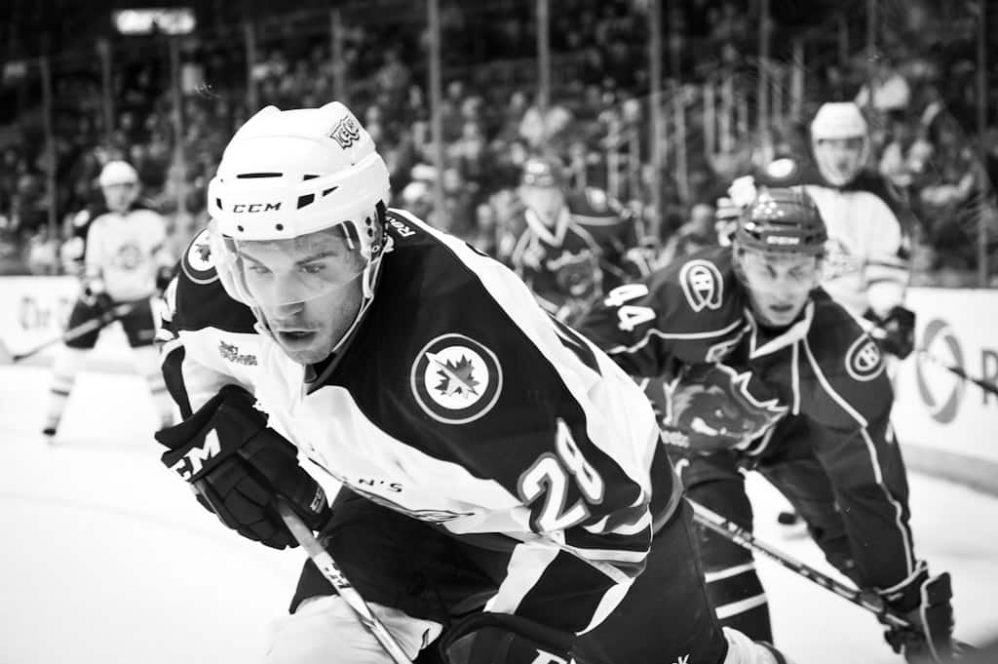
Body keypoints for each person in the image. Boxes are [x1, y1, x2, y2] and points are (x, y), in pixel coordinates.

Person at [154, 102, 790, 664]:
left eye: (315, 265)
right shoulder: (216, 279)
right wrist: (211, 428)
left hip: (588, 514)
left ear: (370, 240)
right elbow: (181, 341)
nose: (281, 305)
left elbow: (609, 534)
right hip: (402, 508)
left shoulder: (462, 354)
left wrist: (495, 638)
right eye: (256, 269)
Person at [577, 187, 955, 663]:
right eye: (766, 267)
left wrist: (901, 588)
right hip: (688, 443)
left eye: (799, 269)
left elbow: (869, 491)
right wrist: (659, 401)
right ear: (738, 257)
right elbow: (581, 357)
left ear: (822, 267)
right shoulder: (691, 292)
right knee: (720, 561)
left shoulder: (843, 356)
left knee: (852, 532)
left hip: (783, 434)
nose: (782, 288)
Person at [723, 102, 917, 361]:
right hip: (784, 320)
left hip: (849, 332)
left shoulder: (880, 197)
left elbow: (885, 273)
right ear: (817, 145)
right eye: (833, 145)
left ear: (864, 147)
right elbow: (738, 242)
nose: (842, 155)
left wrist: (890, 313)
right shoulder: (784, 186)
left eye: (850, 145)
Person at [42, 160, 175, 438]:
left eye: (127, 186)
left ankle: (167, 419)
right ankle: (52, 419)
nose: (121, 193)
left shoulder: (150, 216)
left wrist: (164, 273)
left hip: (136, 300)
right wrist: (97, 292)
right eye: (114, 187)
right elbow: (84, 265)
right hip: (95, 301)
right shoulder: (91, 220)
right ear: (104, 190)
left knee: (150, 361)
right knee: (70, 356)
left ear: (135, 187)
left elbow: (160, 253)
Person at [509, 156, 652, 325]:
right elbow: (522, 288)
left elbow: (628, 218)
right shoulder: (518, 238)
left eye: (549, 190)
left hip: (613, 299)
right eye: (535, 191)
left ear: (563, 188)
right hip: (568, 322)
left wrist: (634, 258)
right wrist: (560, 310)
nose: (543, 199)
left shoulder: (591, 208)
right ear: (524, 194)